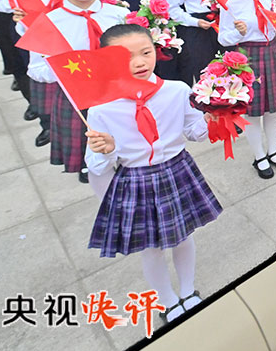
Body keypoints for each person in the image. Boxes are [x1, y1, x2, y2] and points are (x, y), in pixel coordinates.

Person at [85, 23, 222, 323]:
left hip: (177, 171)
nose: (139, 62)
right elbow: (95, 167)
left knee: (184, 236)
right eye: (125, 57)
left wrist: (215, 117)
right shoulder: (102, 109)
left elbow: (194, 132)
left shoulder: (177, 91)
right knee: (151, 248)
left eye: (145, 52)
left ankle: (188, 291)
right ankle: (167, 300)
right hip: (136, 180)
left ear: (156, 51)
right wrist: (106, 150)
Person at [44, 0, 129, 182]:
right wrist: (66, 70)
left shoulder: (120, 14)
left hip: (119, 89)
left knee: (126, 137)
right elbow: (36, 70)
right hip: (77, 94)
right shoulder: (50, 22)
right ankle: (88, 166)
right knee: (90, 142)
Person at [217, 0, 276, 178]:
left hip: (271, 53)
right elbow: (222, 38)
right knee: (253, 112)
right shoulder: (232, 2)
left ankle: (273, 151)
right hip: (248, 56)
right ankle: (259, 156)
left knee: (273, 110)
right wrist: (239, 33)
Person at [12, 0, 67, 147]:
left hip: (78, 49)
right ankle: (49, 128)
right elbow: (23, 30)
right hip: (45, 52)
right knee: (50, 102)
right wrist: (21, 21)